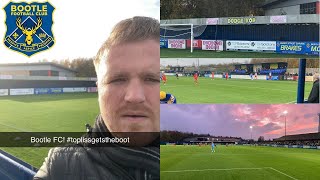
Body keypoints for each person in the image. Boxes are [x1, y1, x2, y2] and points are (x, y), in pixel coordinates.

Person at [34, 16, 160, 180]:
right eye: (117, 79)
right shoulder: (62, 165)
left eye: (152, 79)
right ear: (98, 89)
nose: (134, 96)